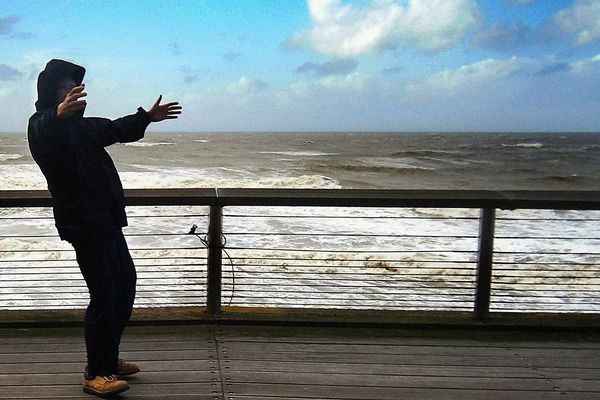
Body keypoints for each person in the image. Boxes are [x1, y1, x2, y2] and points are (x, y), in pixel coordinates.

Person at [28, 59, 182, 397]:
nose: (73, 90)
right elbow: (43, 130)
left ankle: (108, 359)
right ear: (50, 92)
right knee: (104, 295)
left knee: (125, 285)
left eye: (74, 86)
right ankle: (95, 373)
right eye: (64, 86)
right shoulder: (41, 126)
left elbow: (115, 129)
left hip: (108, 220)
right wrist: (57, 114)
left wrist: (146, 117)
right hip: (83, 224)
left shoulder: (84, 128)